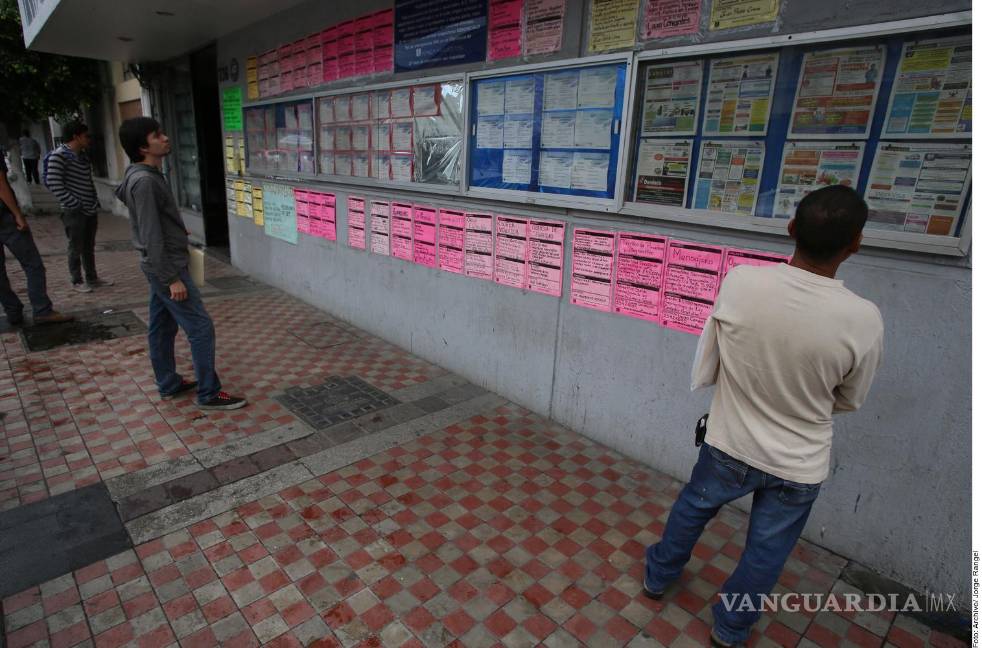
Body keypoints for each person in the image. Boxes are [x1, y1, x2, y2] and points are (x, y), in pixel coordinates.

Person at [643, 185, 883, 647]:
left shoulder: (742, 282)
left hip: (729, 441)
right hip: (799, 462)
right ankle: (731, 627)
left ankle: (658, 576)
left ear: (791, 228)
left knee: (693, 508)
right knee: (767, 551)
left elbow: (716, 352)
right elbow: (850, 399)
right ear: (855, 244)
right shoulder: (865, 319)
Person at [115, 117, 246, 410]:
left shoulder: (142, 174)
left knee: (161, 327)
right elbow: (150, 235)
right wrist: (171, 278)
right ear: (142, 147)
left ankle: (168, 382)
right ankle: (209, 393)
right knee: (200, 327)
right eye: (156, 135)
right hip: (166, 267)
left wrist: (174, 231)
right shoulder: (145, 181)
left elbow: (152, 222)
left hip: (161, 264)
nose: (165, 138)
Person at [0, 154, 73, 326]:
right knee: (33, 264)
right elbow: (1, 184)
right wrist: (17, 214)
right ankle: (42, 310)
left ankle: (13, 311)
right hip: (4, 218)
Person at [45, 121, 113, 293]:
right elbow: (53, 182)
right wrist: (74, 202)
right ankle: (77, 280)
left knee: (89, 246)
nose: (88, 139)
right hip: (74, 211)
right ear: (76, 136)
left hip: (89, 208)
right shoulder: (59, 156)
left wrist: (93, 200)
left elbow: (87, 181)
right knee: (75, 247)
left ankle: (92, 277)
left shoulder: (82, 156)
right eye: (86, 136)